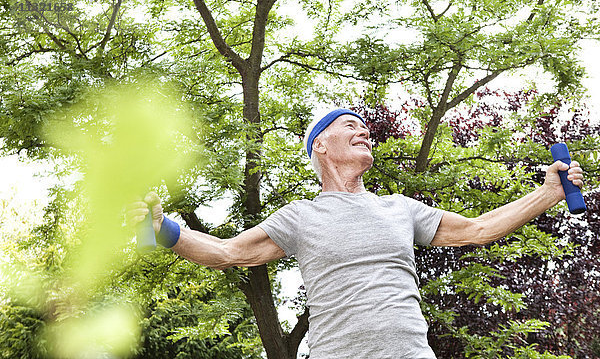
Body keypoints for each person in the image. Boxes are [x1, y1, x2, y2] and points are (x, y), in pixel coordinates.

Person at [129, 108, 585, 358]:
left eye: (365, 126)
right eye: (350, 124)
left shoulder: (399, 208)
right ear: (320, 145)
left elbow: (477, 229)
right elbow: (227, 252)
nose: (364, 129)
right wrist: (166, 229)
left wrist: (547, 194)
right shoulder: (301, 217)